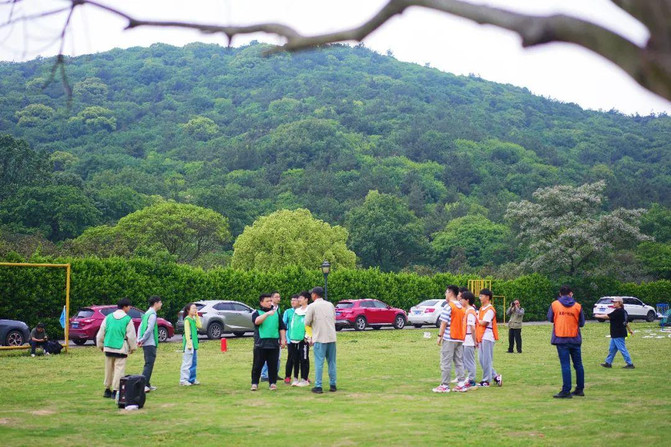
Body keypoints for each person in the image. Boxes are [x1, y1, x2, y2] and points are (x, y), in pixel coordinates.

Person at [547, 285, 585, 399]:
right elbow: (582, 323)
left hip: (561, 337)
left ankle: (566, 390)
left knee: (565, 365)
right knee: (578, 364)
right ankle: (580, 389)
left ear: (560, 294)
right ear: (570, 293)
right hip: (574, 338)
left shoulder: (555, 304)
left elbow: (550, 318)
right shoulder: (578, 306)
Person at [96, 297, 137, 399]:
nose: (130, 308)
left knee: (108, 369)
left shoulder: (108, 317)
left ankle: (107, 389)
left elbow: (100, 334)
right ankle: (116, 390)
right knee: (119, 370)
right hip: (121, 348)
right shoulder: (127, 319)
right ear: (125, 307)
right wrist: (132, 348)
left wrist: (100, 345)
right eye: (129, 306)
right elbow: (131, 336)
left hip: (108, 347)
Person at [433, 285, 466, 393]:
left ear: (450, 293)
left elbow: (444, 323)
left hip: (449, 337)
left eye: (446, 292)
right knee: (458, 361)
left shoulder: (449, 306)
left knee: (445, 361)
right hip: (460, 338)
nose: (445, 295)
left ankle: (445, 385)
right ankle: (461, 384)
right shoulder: (461, 307)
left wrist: (439, 336)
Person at [251, 294, 287, 391]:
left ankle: (272, 383)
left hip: (274, 343)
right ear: (261, 302)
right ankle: (254, 383)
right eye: (267, 301)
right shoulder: (256, 312)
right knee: (257, 365)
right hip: (260, 344)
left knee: (273, 365)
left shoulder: (276, 313)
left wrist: (283, 339)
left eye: (270, 301)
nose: (269, 303)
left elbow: (282, 327)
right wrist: (266, 314)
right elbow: (257, 322)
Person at [304, 286, 337, 394]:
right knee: (332, 362)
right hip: (331, 337)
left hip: (319, 337)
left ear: (314, 294)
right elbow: (334, 319)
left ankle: (318, 386)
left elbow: (307, 321)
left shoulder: (312, 306)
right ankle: (333, 384)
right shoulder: (330, 305)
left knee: (319, 362)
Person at [595, 296, 635, 369]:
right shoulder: (623, 311)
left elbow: (607, 316)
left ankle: (630, 364)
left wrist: (598, 316)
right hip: (615, 334)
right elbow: (626, 322)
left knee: (622, 349)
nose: (613, 304)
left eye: (615, 302)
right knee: (612, 349)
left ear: (619, 303)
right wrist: (630, 330)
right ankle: (608, 363)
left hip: (618, 334)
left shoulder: (618, 311)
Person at [476, 289, 502, 387]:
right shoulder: (482, 308)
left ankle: (486, 380)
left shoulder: (490, 309)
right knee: (481, 359)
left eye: (481, 296)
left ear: (487, 297)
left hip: (487, 336)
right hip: (481, 336)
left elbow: (483, 322)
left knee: (486, 359)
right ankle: (495, 376)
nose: (480, 298)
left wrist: (476, 319)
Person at [137, 295, 162, 393]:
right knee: (149, 364)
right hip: (150, 343)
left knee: (148, 363)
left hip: (146, 342)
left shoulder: (147, 313)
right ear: (155, 303)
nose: (161, 304)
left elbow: (140, 327)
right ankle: (143, 385)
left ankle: (147, 384)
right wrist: (142, 340)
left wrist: (139, 339)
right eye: (160, 302)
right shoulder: (152, 314)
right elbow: (149, 329)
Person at [288, 292, 312, 387]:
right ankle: (295, 378)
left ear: (306, 299)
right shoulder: (297, 311)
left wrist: (308, 336)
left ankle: (304, 379)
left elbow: (310, 324)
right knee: (295, 359)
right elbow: (293, 325)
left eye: (301, 298)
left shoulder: (309, 309)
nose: (299, 300)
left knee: (304, 359)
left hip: (304, 339)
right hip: (294, 338)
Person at [261, 291, 282, 382]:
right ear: (272, 298)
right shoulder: (268, 309)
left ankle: (274, 373)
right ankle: (264, 375)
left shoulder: (278, 309)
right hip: (267, 337)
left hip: (276, 335)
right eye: (276, 297)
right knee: (267, 357)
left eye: (279, 297)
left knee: (277, 356)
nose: (278, 298)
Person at [180, 302, 202, 386]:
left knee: (193, 362)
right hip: (189, 343)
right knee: (187, 362)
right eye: (193, 308)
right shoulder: (187, 319)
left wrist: (197, 316)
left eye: (196, 308)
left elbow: (199, 326)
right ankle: (183, 380)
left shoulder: (193, 319)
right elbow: (187, 332)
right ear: (188, 310)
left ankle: (192, 379)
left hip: (194, 343)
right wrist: (189, 344)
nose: (195, 310)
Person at [460, 291, 478, 390]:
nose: (460, 300)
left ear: (467, 300)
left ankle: (471, 381)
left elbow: (472, 328)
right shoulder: (467, 310)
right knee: (466, 360)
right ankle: (468, 379)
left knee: (469, 361)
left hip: (469, 340)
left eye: (462, 299)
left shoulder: (471, 311)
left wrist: (474, 341)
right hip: (466, 339)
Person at [283, 294, 299, 384]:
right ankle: (288, 376)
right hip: (290, 339)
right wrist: (284, 338)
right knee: (291, 358)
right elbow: (284, 325)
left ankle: (304, 376)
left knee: (302, 358)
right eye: (291, 300)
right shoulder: (288, 312)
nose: (292, 302)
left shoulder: (303, 311)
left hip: (301, 339)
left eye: (295, 300)